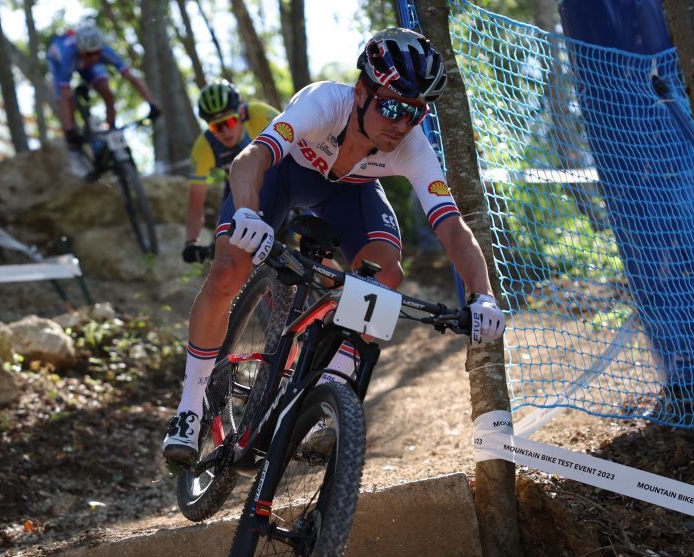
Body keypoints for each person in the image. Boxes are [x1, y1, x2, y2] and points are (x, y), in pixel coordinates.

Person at [162, 27, 507, 468]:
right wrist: (248, 213)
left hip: (348, 193)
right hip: (284, 176)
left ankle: (329, 388)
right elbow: (252, 159)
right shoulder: (325, 103)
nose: (401, 123)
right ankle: (189, 407)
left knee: (385, 278)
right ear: (361, 90)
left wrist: (483, 295)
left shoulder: (412, 145)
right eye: (392, 105)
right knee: (229, 266)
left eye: (414, 113)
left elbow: (452, 226)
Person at [184, 80, 280, 263]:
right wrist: (191, 241)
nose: (225, 131)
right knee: (229, 252)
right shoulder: (204, 147)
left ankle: (339, 290)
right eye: (216, 126)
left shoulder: (259, 114)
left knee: (313, 249)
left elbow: (299, 140)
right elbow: (195, 203)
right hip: (239, 189)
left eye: (230, 121)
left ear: (241, 114)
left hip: (281, 178)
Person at [46, 21, 160, 151]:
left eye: (97, 53)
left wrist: (151, 103)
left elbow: (131, 78)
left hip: (83, 62)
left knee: (107, 91)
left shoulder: (105, 52)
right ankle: (72, 142)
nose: (94, 57)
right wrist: (69, 130)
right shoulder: (68, 57)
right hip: (57, 59)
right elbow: (64, 94)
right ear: (81, 50)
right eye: (89, 54)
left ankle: (111, 127)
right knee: (66, 98)